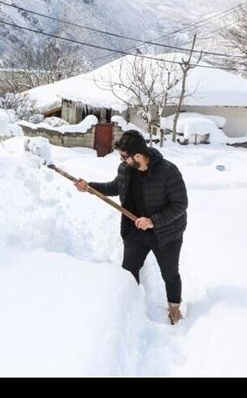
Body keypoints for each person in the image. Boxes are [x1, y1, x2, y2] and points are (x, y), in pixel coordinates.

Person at [74, 130, 188, 325]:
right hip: (135, 230)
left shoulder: (168, 171)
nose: (121, 160)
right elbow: (114, 187)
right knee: (129, 270)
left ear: (137, 155)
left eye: (124, 156)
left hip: (166, 233)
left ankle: (174, 309)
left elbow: (180, 204)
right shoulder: (126, 170)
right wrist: (90, 187)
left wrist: (152, 221)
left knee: (169, 274)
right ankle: (132, 308)